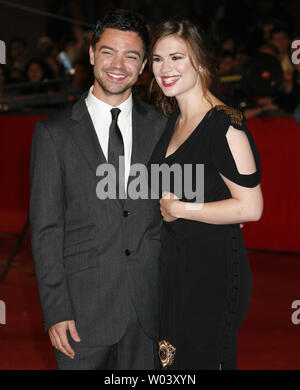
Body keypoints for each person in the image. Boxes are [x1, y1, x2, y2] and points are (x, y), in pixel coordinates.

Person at [29, 9, 166, 370]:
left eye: (131, 56)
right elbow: (46, 230)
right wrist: (56, 310)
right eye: (108, 52)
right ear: (91, 55)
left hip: (149, 314)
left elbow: (178, 209)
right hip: (81, 314)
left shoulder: (164, 129)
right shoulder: (53, 134)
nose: (118, 64)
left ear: (142, 67)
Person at [148, 18, 264, 370]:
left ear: (199, 61)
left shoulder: (225, 125)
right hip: (174, 269)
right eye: (157, 59)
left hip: (211, 273)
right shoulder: (171, 121)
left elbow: (250, 207)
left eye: (176, 57)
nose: (165, 68)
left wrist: (182, 208)